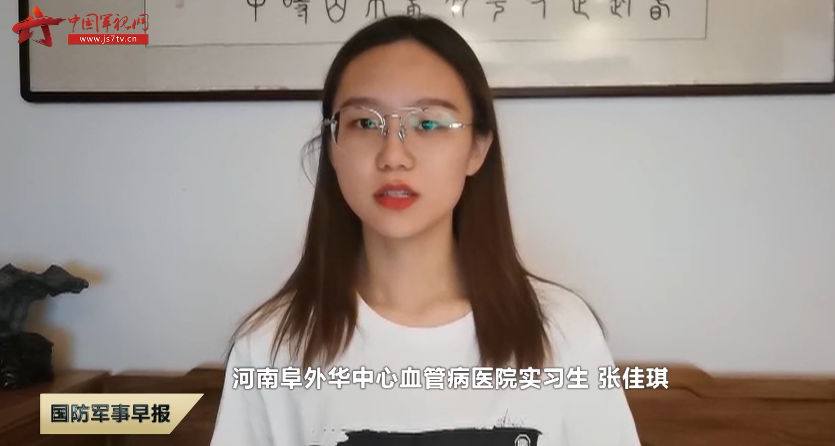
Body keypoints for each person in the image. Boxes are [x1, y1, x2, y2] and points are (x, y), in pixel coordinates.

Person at [210, 14, 641, 446]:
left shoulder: (563, 332)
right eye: (365, 123)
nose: (393, 155)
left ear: (477, 148)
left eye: (429, 124)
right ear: (333, 148)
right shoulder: (269, 348)